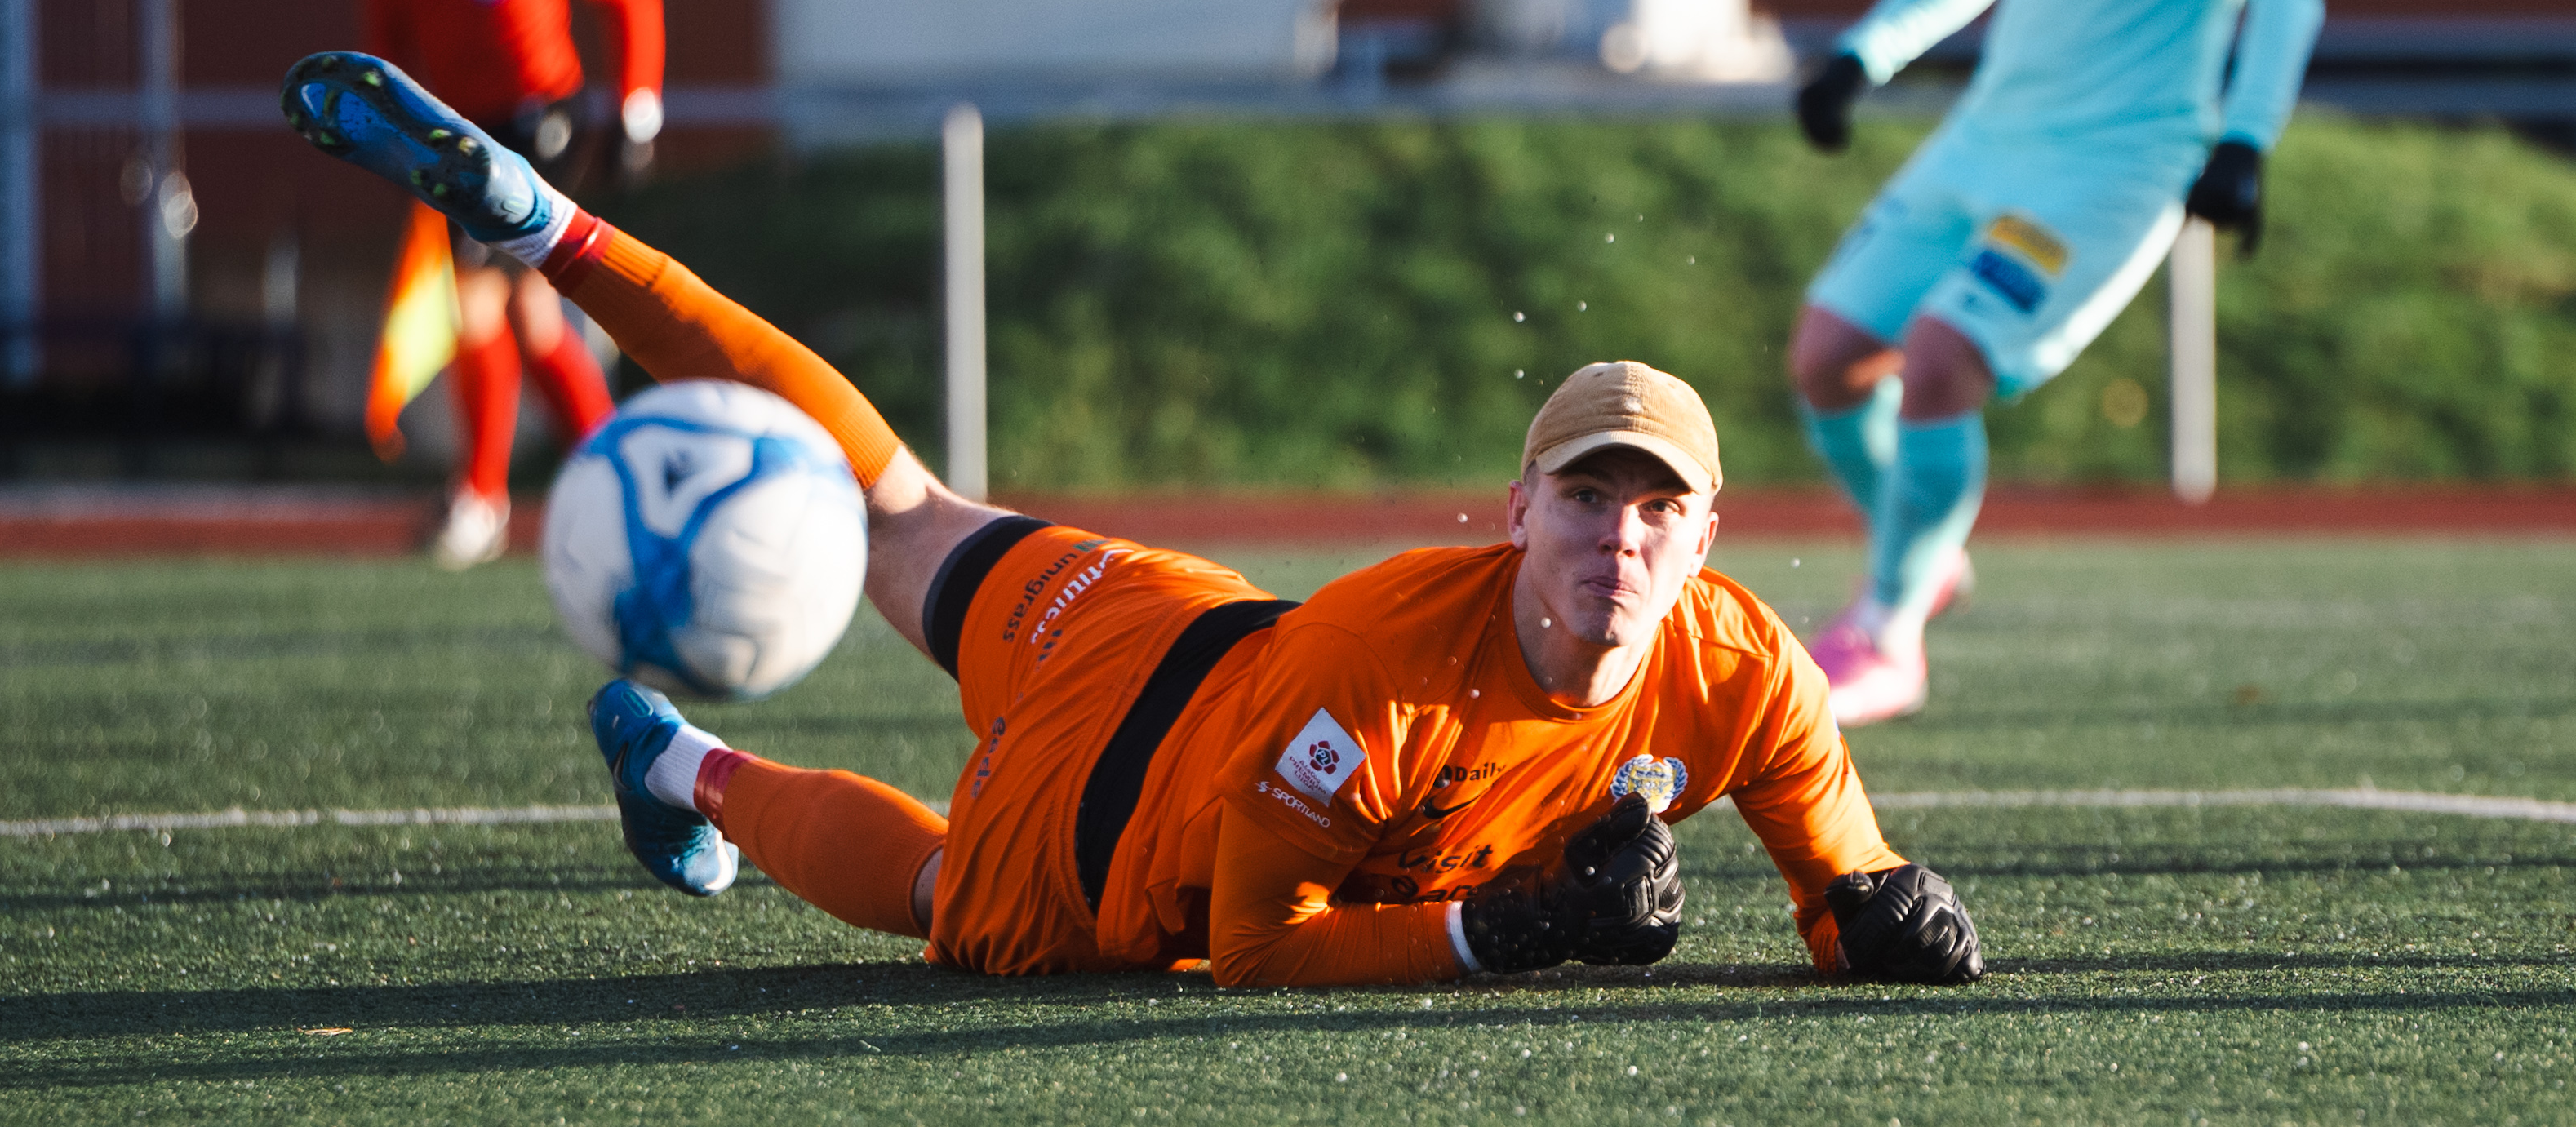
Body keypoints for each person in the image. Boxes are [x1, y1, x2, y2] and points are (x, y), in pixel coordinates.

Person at [280, 50, 1985, 987]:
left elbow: (1842, 885)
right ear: (1519, 507)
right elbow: (1254, 948)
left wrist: (1884, 918)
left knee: (896, 503)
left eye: (1657, 506)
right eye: (1588, 495)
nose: (1621, 532)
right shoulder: (1386, 665)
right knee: (947, 888)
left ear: (1707, 544)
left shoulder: (1749, 665)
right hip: (1113, 808)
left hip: (1172, 614)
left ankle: (549, 232)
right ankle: (682, 765)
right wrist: (1507, 929)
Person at [1786, 0, 2325, 725]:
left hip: (2112, 167)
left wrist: (2246, 141)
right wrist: (1864, 55)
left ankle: (1888, 629)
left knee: (1937, 360)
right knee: (1826, 356)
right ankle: (1926, 556)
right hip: (1991, 137)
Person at [357, 0, 667, 566]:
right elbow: (386, 40)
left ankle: (486, 496)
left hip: (541, 126)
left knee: (491, 303)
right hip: (455, 129)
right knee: (521, 317)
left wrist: (636, 110)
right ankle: (613, 487)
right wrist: (385, 132)